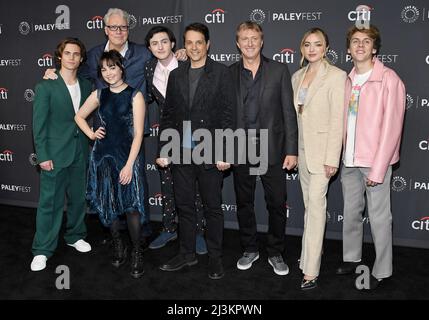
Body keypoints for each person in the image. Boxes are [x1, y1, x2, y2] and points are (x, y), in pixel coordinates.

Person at [157, 23, 235, 280]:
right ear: (184, 45)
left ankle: (215, 257)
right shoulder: (176, 75)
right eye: (189, 42)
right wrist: (165, 149)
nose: (194, 47)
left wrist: (226, 152)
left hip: (211, 152)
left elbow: (228, 115)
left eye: (199, 42)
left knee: (212, 207)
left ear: (208, 44)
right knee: (185, 206)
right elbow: (168, 114)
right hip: (181, 152)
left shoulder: (222, 73)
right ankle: (186, 252)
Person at [335, 25, 405, 290]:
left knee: (379, 218)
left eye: (366, 41)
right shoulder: (347, 79)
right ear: (349, 48)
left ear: (375, 48)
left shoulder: (389, 79)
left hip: (375, 163)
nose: (360, 45)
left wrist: (378, 169)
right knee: (351, 213)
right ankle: (352, 258)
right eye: (355, 41)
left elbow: (392, 128)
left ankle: (382, 270)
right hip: (349, 161)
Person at [229, 21, 298, 276]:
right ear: (238, 43)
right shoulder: (229, 73)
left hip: (273, 148)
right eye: (244, 38)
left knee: (277, 203)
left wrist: (292, 150)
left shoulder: (279, 70)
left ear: (262, 41)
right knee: (244, 203)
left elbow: (289, 113)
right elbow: (225, 115)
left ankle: (276, 251)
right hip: (241, 149)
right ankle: (250, 248)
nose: (249, 43)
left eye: (254, 38)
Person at [74, 50, 147, 279]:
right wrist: (91, 134)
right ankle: (118, 245)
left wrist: (128, 165)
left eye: (112, 67)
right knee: (108, 204)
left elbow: (138, 134)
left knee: (132, 208)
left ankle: (136, 252)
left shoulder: (135, 95)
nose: (108, 73)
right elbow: (78, 116)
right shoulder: (99, 94)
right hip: (103, 158)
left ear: (121, 68)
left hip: (127, 158)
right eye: (104, 69)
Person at [143, 26, 207, 254]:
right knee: (167, 182)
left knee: (194, 183)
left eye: (164, 41)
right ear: (149, 48)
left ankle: (198, 232)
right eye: (154, 43)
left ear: (172, 44)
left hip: (190, 131)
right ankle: (169, 228)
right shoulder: (149, 68)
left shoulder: (187, 62)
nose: (160, 46)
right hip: (166, 131)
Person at [31, 38, 92, 271]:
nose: (72, 57)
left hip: (80, 151)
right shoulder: (45, 86)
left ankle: (75, 235)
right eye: (67, 53)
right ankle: (42, 249)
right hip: (54, 154)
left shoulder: (87, 86)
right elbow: (39, 125)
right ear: (60, 56)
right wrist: (42, 155)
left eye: (76, 54)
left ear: (81, 59)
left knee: (78, 199)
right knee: (50, 203)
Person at [291, 28, 346, 290]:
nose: (312, 49)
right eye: (307, 44)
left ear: (326, 48)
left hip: (323, 155)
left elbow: (338, 120)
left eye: (317, 44)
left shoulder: (336, 77)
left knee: (315, 209)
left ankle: (310, 270)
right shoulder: (297, 77)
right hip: (303, 154)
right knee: (309, 208)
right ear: (302, 48)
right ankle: (314, 251)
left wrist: (332, 158)